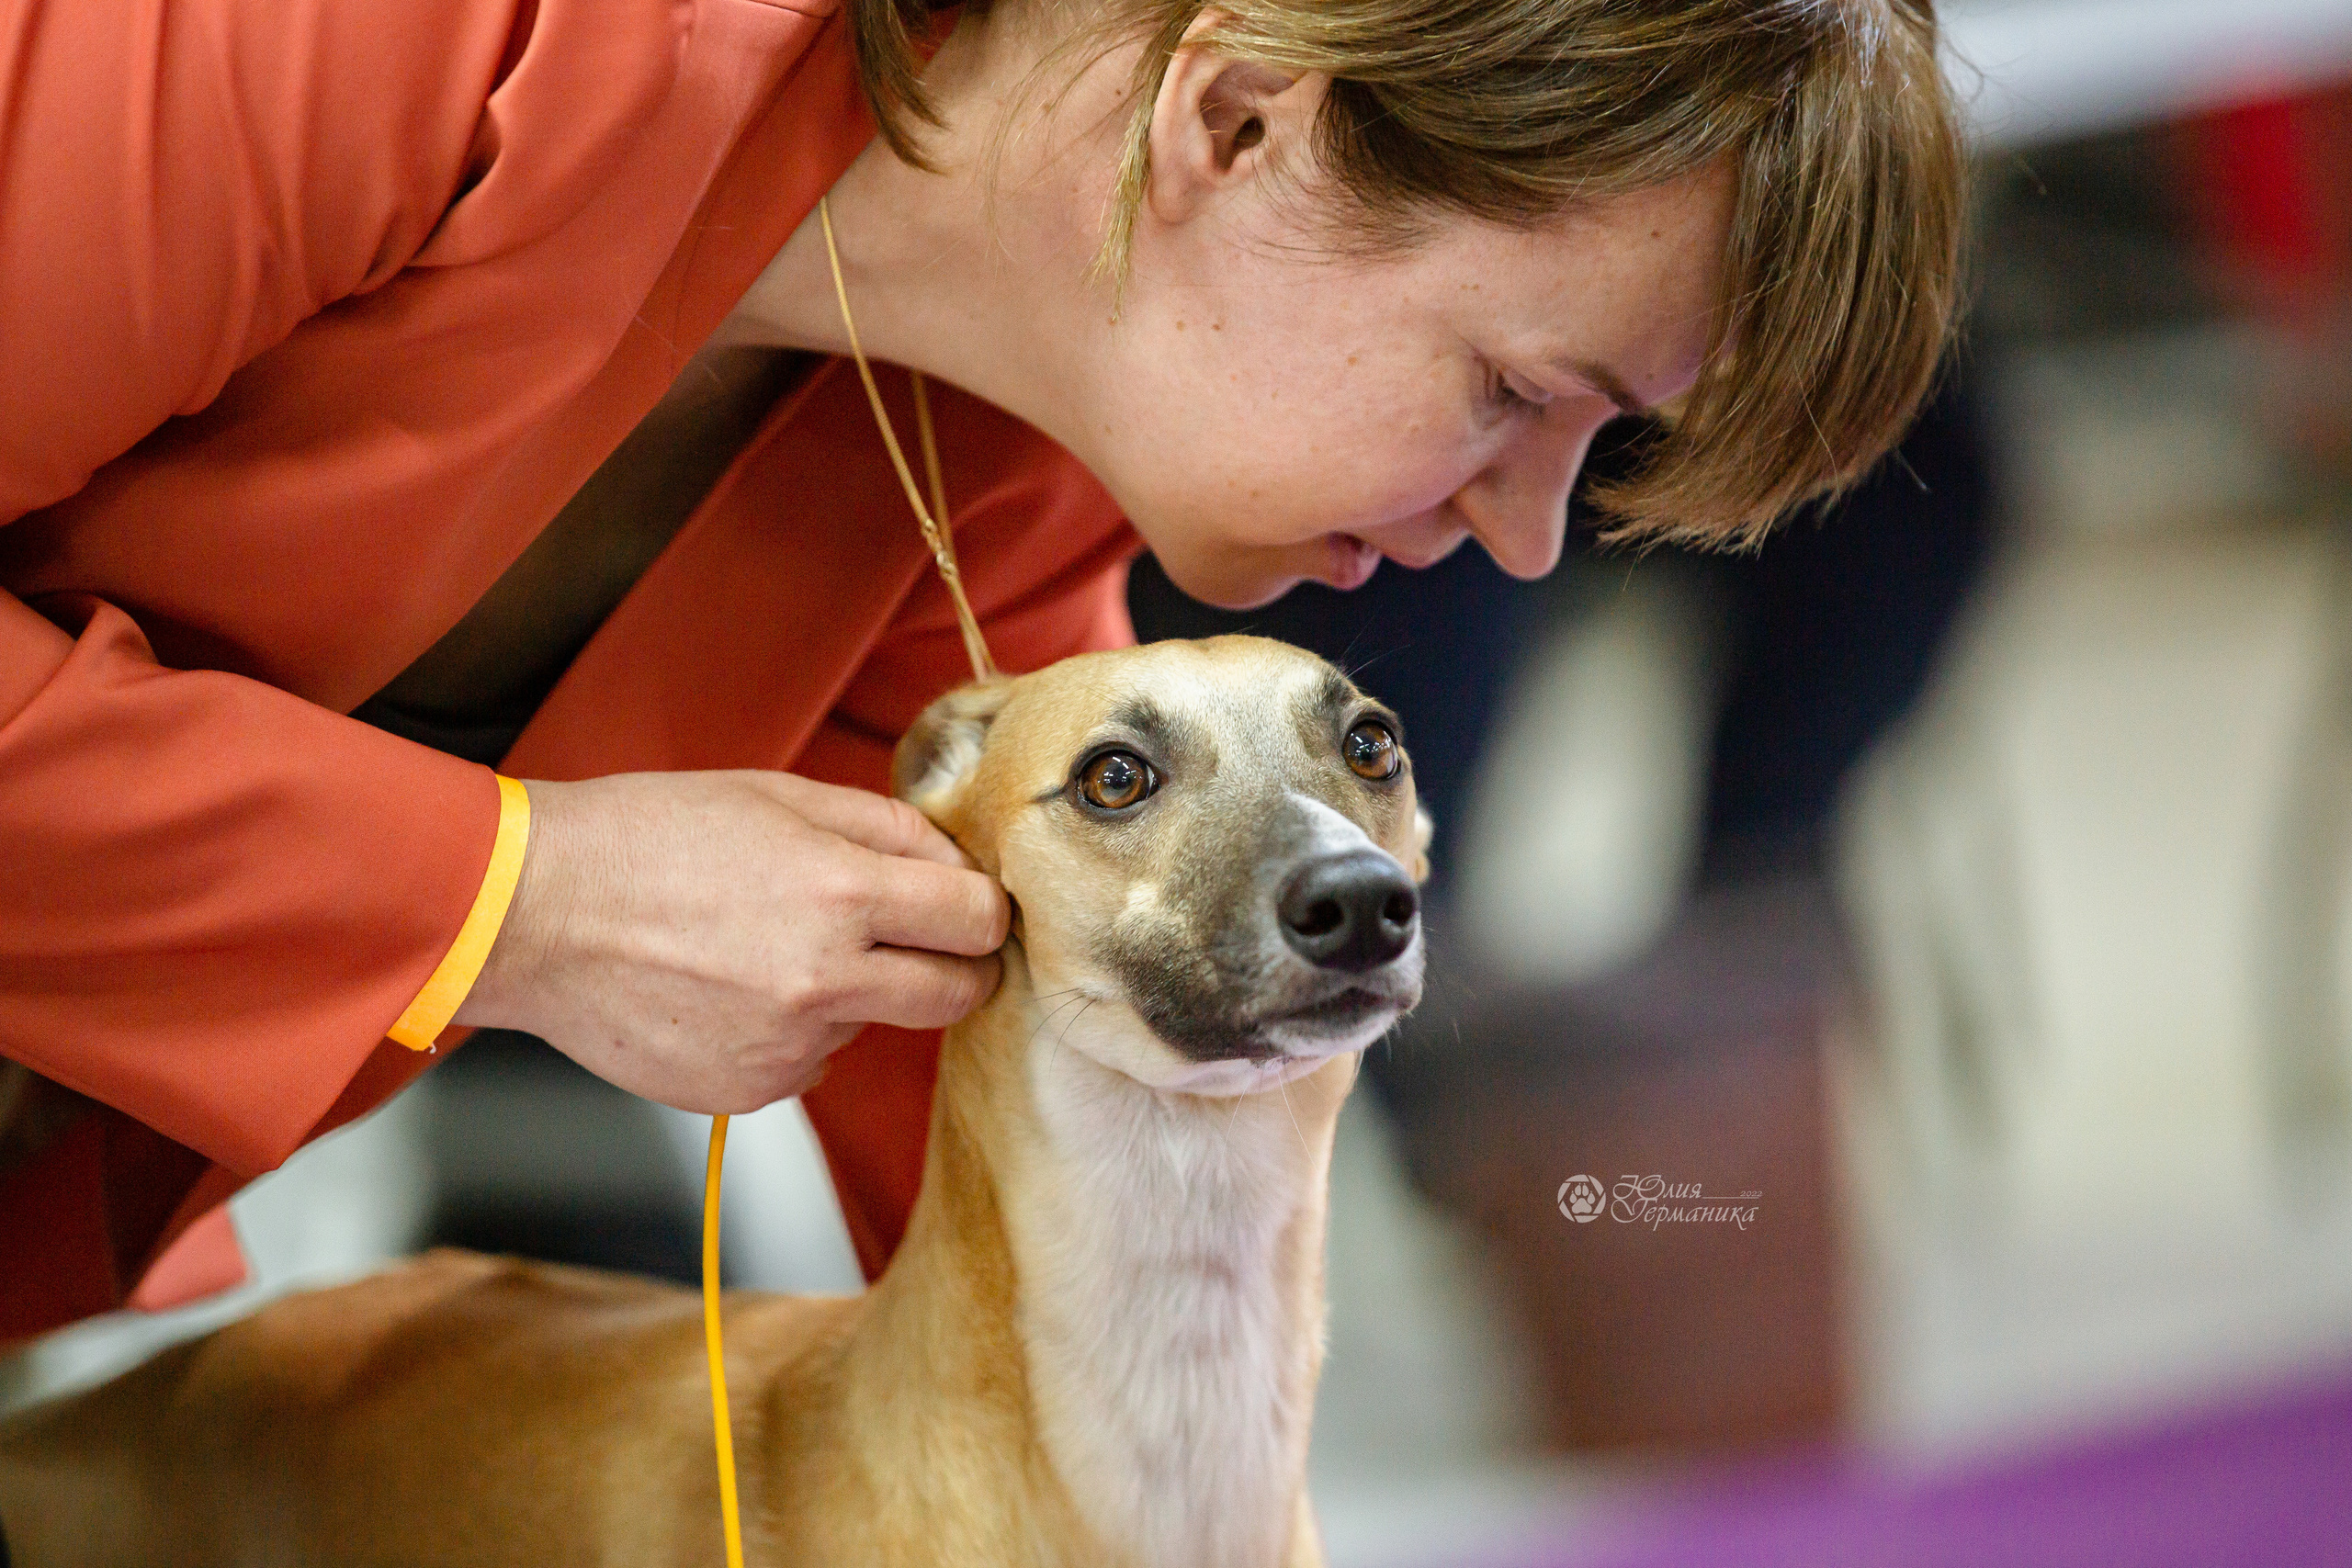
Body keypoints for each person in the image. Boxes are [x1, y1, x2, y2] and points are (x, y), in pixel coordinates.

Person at [0, 0, 1962, 1336]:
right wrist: (511, 898)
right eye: (1515, 395)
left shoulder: (999, 483)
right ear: (1234, 116)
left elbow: (1039, 1227)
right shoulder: (408, 41)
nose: (1524, 536)